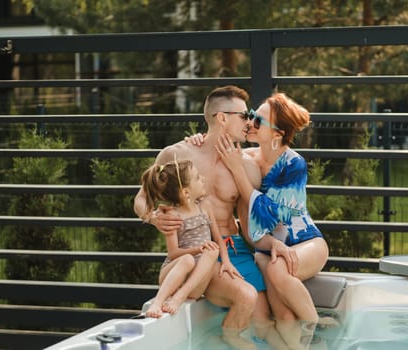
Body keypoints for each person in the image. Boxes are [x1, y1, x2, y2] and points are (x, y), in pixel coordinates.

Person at [134, 86, 273, 349]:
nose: (250, 122)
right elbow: (141, 197)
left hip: (235, 248)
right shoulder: (178, 155)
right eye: (245, 116)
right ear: (222, 118)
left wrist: (272, 247)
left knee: (264, 324)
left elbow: (253, 219)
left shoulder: (248, 165)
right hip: (199, 251)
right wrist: (152, 217)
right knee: (245, 297)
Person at [215, 92, 330, 348]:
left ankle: (315, 326)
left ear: (277, 134)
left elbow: (269, 213)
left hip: (306, 244)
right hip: (269, 250)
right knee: (284, 316)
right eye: (252, 116)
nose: (250, 123)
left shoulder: (294, 164)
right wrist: (198, 138)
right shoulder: (246, 158)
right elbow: (213, 140)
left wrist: (237, 171)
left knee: (277, 267)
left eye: (259, 121)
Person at [140, 158, 237, 319]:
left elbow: (219, 239)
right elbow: (173, 254)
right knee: (187, 260)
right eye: (198, 178)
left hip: (195, 284)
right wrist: (197, 249)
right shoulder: (172, 216)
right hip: (175, 275)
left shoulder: (205, 206)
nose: (203, 179)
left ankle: (181, 296)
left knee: (212, 251)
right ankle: (159, 301)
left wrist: (226, 262)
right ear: (186, 192)